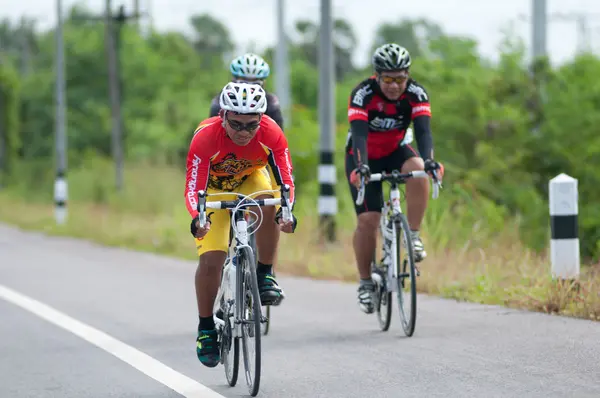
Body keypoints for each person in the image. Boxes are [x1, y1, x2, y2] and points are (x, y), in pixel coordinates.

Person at [184, 82, 297, 368]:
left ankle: (265, 273)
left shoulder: (271, 132)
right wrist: (198, 217)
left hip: (249, 179)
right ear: (222, 116)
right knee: (212, 259)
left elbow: (285, 179)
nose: (243, 132)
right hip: (213, 189)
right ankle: (206, 327)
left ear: (261, 119)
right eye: (235, 124)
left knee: (270, 203)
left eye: (251, 125)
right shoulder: (206, 136)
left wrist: (287, 210)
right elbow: (193, 185)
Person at [345, 43, 444, 315]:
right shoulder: (362, 94)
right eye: (388, 79)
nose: (394, 85)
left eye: (400, 78)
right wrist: (362, 167)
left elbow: (424, 133)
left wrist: (431, 161)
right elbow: (360, 134)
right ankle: (365, 282)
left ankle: (412, 234)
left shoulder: (416, 93)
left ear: (408, 76)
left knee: (419, 168)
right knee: (368, 221)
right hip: (362, 156)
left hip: (395, 151)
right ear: (377, 76)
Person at [208, 53, 285, 129]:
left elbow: (278, 132)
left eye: (255, 83)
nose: (248, 87)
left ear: (263, 83)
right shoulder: (220, 100)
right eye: (243, 82)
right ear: (233, 80)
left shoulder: (271, 101)